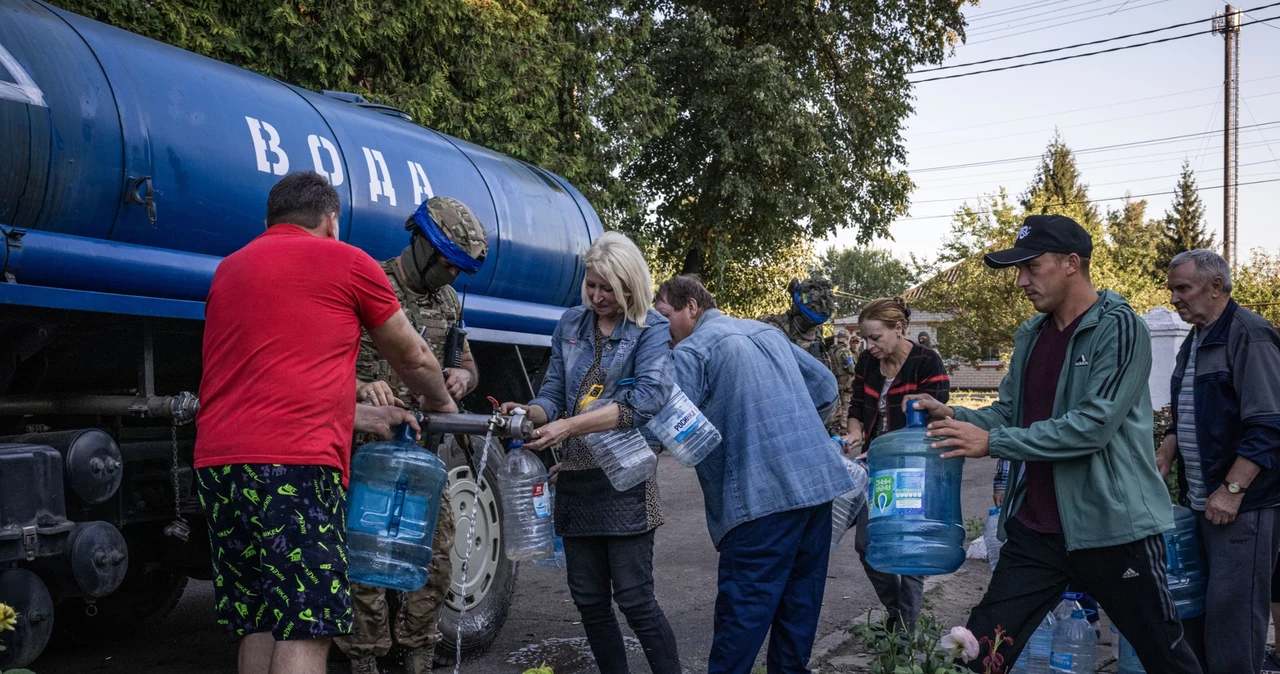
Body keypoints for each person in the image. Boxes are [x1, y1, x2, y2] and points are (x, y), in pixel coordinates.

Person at [905, 214, 1201, 674]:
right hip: (1038, 529)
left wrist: (994, 442)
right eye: (1017, 270)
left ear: (1070, 263)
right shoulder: (1031, 336)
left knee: (1163, 653)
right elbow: (1010, 412)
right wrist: (955, 414)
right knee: (977, 650)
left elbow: (1091, 426)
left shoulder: (1119, 327)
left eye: (1031, 267)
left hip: (1112, 529)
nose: (1021, 281)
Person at [194, 172, 457, 674]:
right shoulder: (347, 261)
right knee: (309, 624)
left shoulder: (229, 270)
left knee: (261, 620)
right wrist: (444, 406)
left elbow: (266, 387)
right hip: (293, 470)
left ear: (269, 222)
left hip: (220, 468)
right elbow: (414, 356)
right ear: (331, 221)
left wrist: (363, 414)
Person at [500, 231, 681, 674]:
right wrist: (531, 411)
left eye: (607, 287)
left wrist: (568, 425)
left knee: (636, 600)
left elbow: (646, 400)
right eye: (591, 285)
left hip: (626, 480)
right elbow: (555, 392)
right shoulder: (570, 325)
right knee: (590, 601)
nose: (597, 296)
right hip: (577, 478)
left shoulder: (651, 329)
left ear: (629, 284)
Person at [655, 275, 854, 674]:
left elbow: (660, 419)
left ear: (691, 306)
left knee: (741, 626)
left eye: (665, 316)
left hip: (761, 504)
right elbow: (826, 386)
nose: (662, 330)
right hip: (817, 491)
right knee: (796, 622)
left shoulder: (694, 350)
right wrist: (790, 429)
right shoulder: (764, 332)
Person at [335, 196, 489, 674]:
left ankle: (417, 653)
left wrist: (464, 378)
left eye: (461, 270)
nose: (453, 277)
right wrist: (361, 387)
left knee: (434, 556)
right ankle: (364, 659)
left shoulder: (446, 301)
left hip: (421, 456)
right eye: (448, 264)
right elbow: (322, 366)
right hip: (365, 455)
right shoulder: (368, 284)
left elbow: (466, 362)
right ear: (420, 244)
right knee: (365, 561)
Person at [1155, 248, 1280, 674]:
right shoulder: (1197, 338)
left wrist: (1231, 490)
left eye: (1183, 288)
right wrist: (1168, 448)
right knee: (1201, 610)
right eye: (1172, 289)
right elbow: (1188, 411)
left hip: (1242, 506)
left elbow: (1268, 426)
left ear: (1215, 286)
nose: (1175, 298)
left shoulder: (1250, 334)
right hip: (1202, 499)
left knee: (1233, 620)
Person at [844, 297, 949, 631]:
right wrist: (856, 434)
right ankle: (895, 611)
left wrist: (883, 450)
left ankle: (905, 630)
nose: (869, 345)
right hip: (875, 466)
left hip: (916, 470)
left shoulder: (926, 362)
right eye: (865, 338)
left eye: (876, 337)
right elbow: (857, 407)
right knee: (867, 543)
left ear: (899, 329)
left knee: (909, 547)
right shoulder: (867, 361)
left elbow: (935, 417)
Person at [759, 275, 851, 437]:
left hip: (814, 421)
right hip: (779, 421)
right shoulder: (770, 329)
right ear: (795, 310)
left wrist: (833, 429)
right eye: (805, 322)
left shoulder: (818, 336)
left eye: (814, 325)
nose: (810, 329)